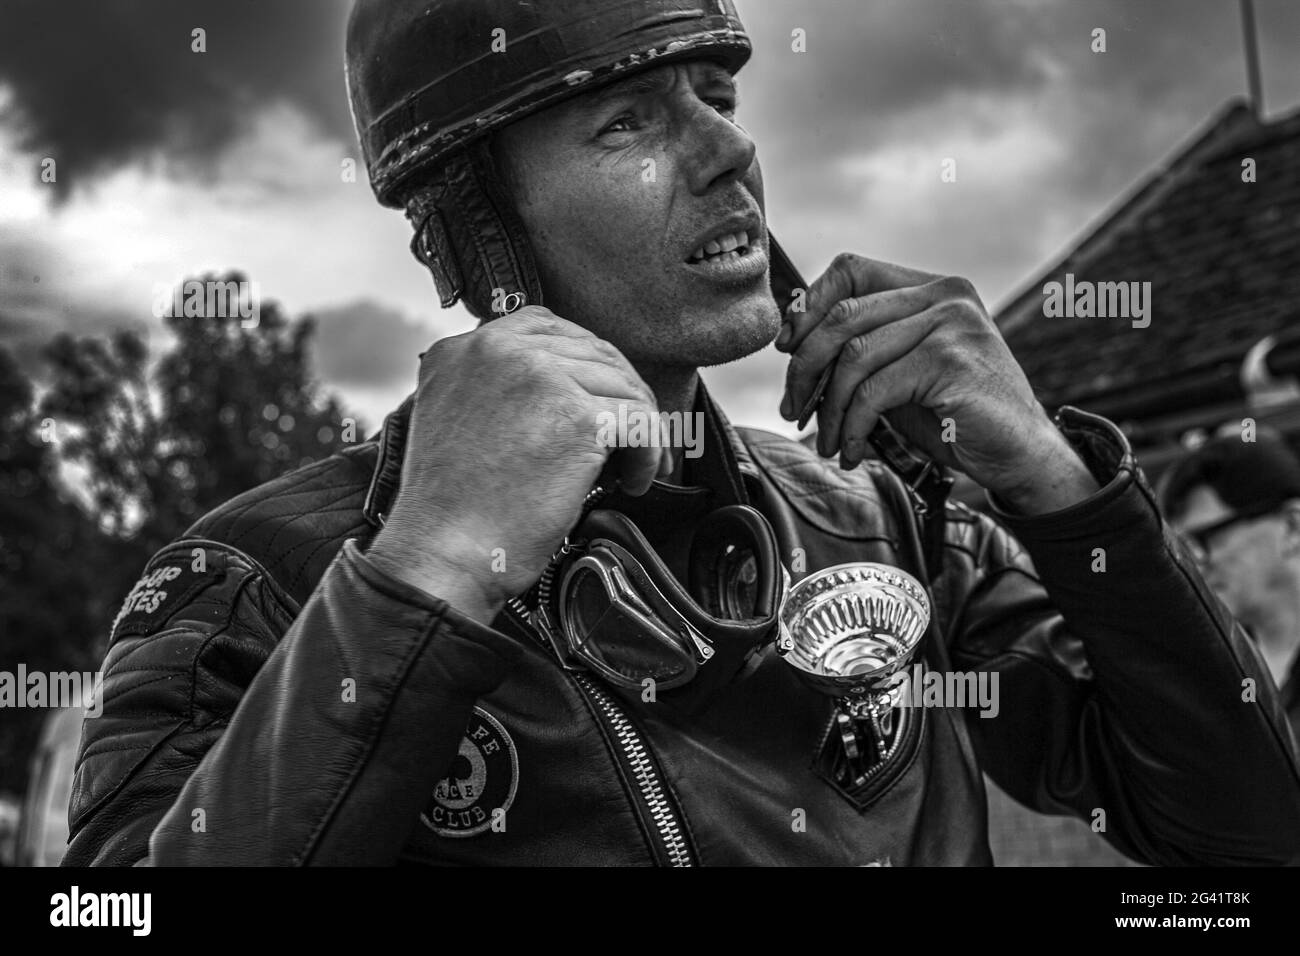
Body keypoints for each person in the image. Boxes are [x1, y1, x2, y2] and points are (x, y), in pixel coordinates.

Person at [62, 0, 1300, 866]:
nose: (730, 151)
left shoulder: (881, 521)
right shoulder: (250, 582)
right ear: (471, 224)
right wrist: (426, 571)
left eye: (715, 95)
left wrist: (1059, 482)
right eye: (628, 122)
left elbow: (1243, 837)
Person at [1161, 429, 1300, 744]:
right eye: (1184, 548)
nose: (1197, 563)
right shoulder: (1213, 672)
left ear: (1292, 526)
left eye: (1205, 538)